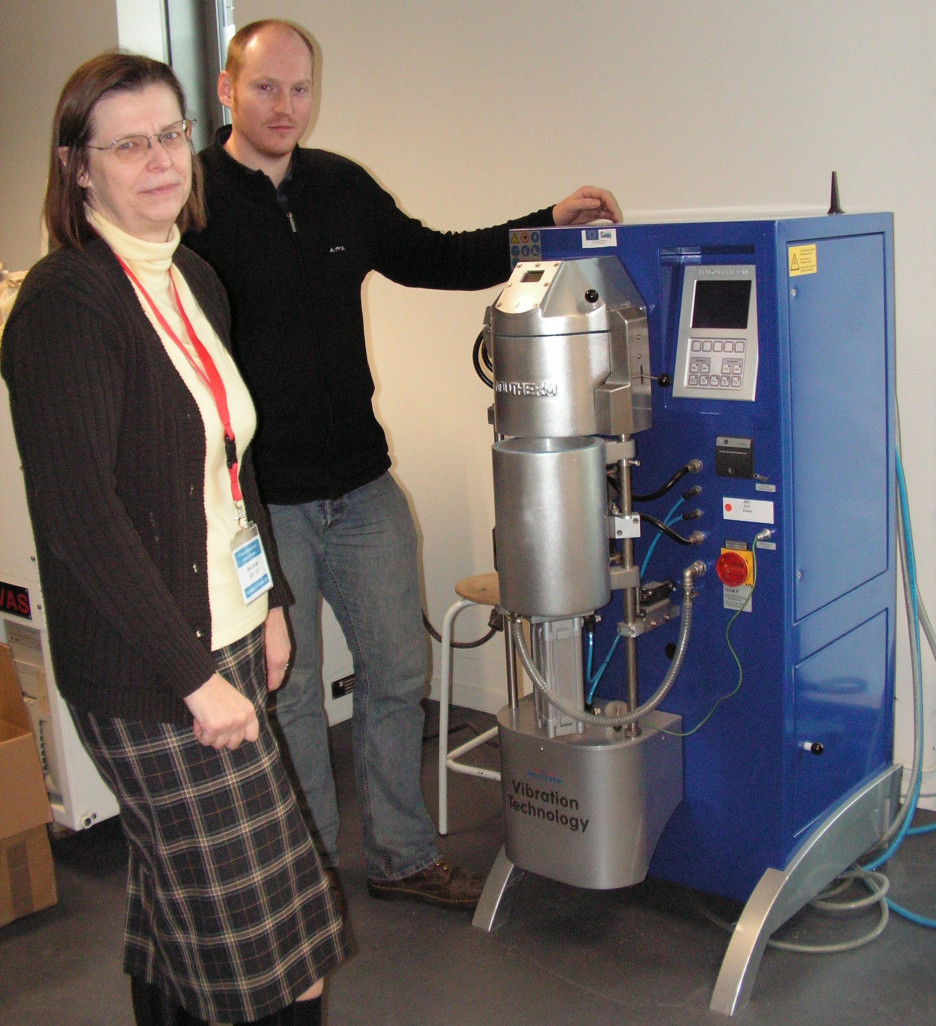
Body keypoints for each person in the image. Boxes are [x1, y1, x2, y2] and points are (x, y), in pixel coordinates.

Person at [184, 18, 622, 910]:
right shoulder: (191, 200)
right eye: (265, 87)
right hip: (262, 500)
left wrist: (545, 226)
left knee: (399, 675)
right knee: (293, 691)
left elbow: (438, 254)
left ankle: (401, 856)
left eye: (300, 89)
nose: (285, 106)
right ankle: (302, 867)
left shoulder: (340, 187)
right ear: (227, 89)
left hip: (362, 483)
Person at [1, 53, 347, 1026]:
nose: (160, 160)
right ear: (79, 167)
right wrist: (194, 677)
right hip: (154, 672)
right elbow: (80, 523)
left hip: (228, 629)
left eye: (170, 134)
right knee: (283, 949)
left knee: (178, 912)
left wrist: (271, 600)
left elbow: (232, 468)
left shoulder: (191, 275)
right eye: (127, 145)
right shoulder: (67, 305)